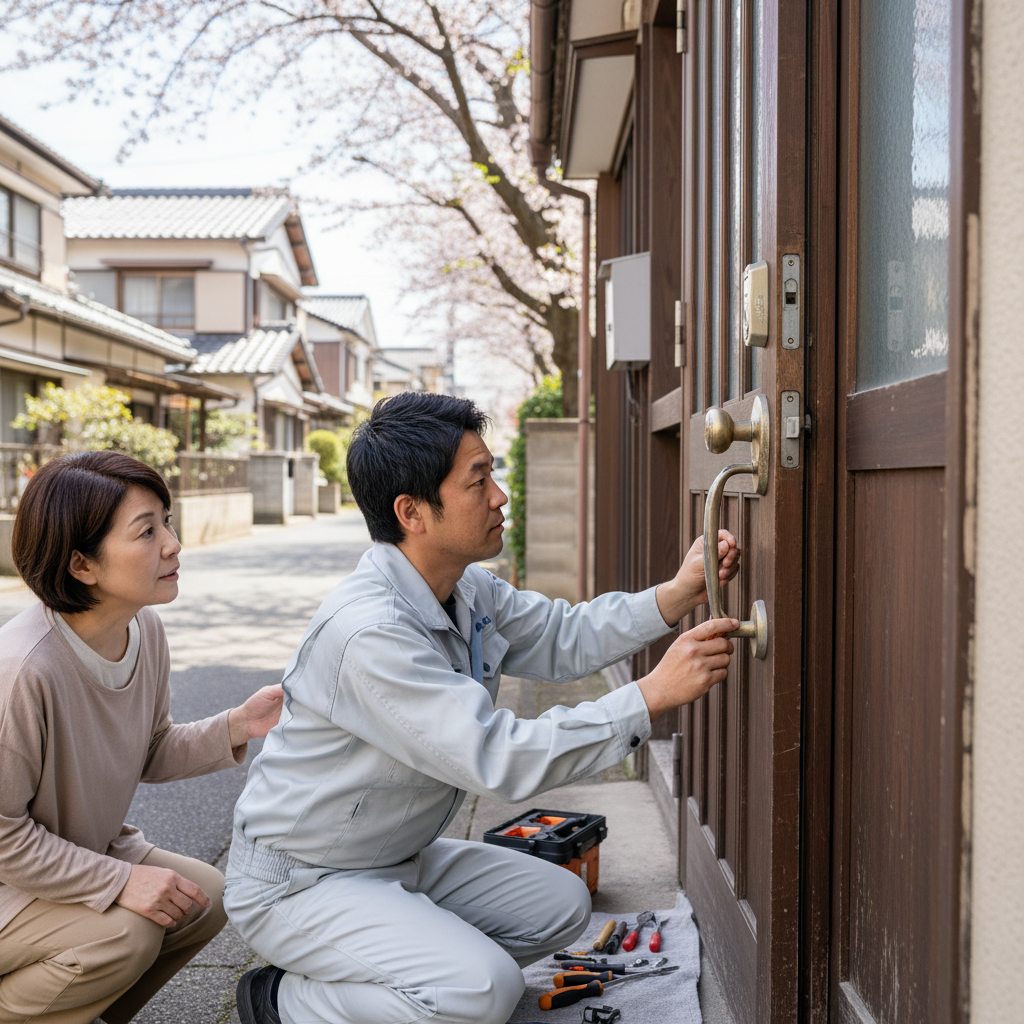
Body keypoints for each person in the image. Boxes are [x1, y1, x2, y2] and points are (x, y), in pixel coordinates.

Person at [227, 393, 740, 1024]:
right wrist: (650, 695)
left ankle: (395, 968)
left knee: (563, 904)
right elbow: (498, 758)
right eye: (478, 481)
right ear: (411, 512)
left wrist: (673, 594)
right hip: (302, 882)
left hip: (398, 859)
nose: (499, 496)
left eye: (492, 473)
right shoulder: (369, 635)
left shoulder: (463, 586)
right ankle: (282, 999)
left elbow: (561, 634)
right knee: (485, 991)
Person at [0, 451, 284, 1024]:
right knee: (127, 933)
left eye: (168, 521)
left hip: (73, 852)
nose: (173, 544)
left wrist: (238, 724)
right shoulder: (24, 669)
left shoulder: (142, 628)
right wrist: (120, 880)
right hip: (12, 882)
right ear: (82, 565)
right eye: (147, 531)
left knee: (203, 898)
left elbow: (148, 749)